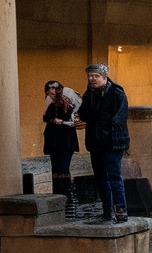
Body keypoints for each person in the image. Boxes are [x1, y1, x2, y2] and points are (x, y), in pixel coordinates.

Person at [75, 63, 130, 223]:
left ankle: (121, 210)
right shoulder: (89, 94)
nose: (92, 79)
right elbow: (84, 115)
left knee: (114, 176)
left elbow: (121, 115)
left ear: (104, 77)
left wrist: (109, 129)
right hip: (95, 142)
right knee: (100, 177)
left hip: (112, 142)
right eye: (90, 76)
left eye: (95, 76)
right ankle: (107, 211)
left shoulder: (116, 92)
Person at [42, 80, 82, 218]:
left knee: (64, 168)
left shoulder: (68, 101)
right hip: (54, 138)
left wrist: (65, 121)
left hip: (66, 138)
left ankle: (66, 199)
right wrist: (53, 120)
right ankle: (58, 198)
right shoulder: (49, 102)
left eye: (55, 88)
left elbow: (75, 117)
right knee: (56, 168)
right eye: (49, 88)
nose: (52, 91)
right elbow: (46, 117)